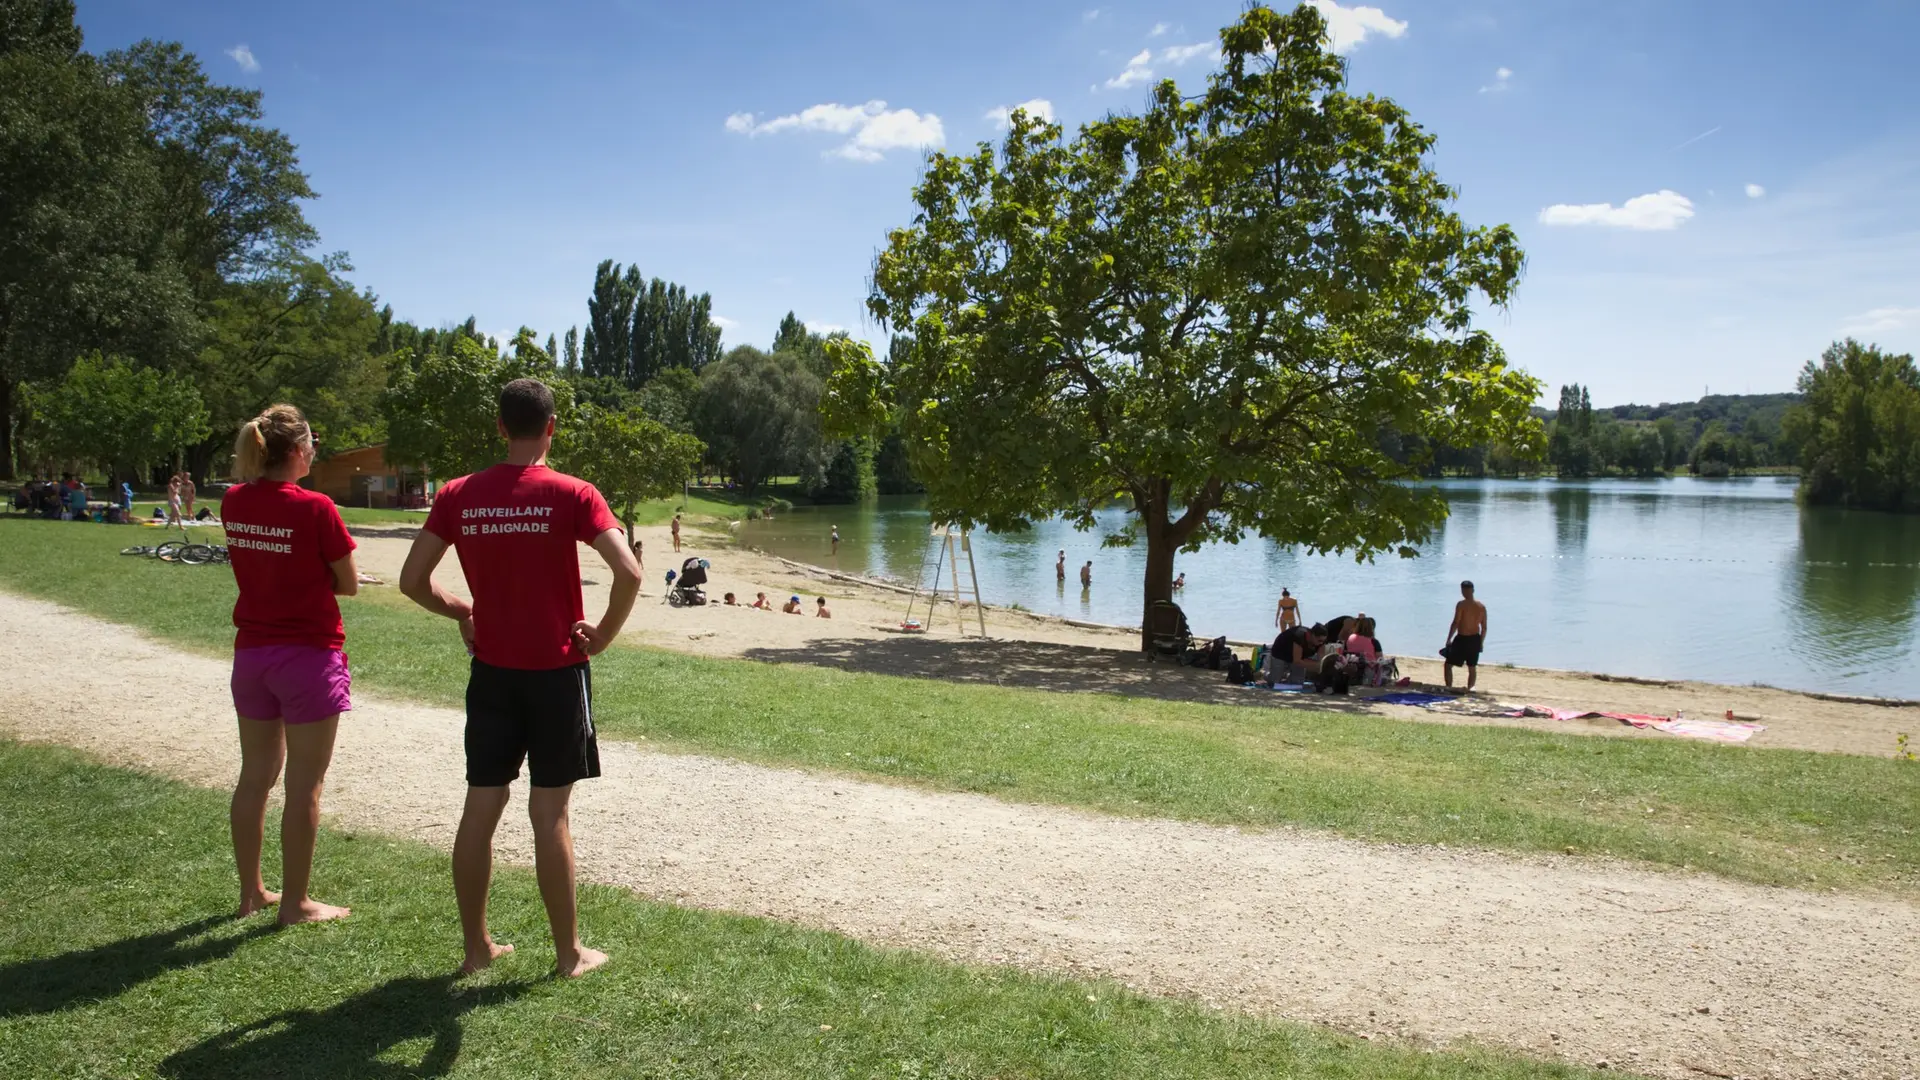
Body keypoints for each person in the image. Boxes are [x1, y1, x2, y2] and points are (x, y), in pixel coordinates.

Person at [399, 378, 640, 979]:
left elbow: (411, 581)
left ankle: (476, 949)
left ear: (500, 427)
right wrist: (604, 634)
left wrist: (464, 611)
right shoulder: (575, 493)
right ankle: (568, 955)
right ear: (551, 427)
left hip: (493, 675)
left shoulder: (458, 494)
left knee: (481, 806)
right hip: (558, 676)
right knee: (550, 815)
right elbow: (630, 571)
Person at [221, 404, 360, 925]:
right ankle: (297, 903)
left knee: (254, 777)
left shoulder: (234, 500)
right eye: (313, 445)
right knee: (305, 784)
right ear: (299, 451)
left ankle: (251, 893)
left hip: (252, 654)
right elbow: (346, 581)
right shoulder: (316, 507)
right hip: (308, 655)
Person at [1442, 580, 1487, 692]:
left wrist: (1449, 639)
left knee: (1448, 665)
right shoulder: (1481, 607)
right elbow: (1484, 627)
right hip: (1474, 639)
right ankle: (1470, 688)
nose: (1464, 592)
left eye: (1464, 590)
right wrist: (1481, 642)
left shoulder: (1461, 605)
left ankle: (1449, 687)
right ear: (1473, 590)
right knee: (1471, 667)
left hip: (1462, 638)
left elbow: (1456, 622)